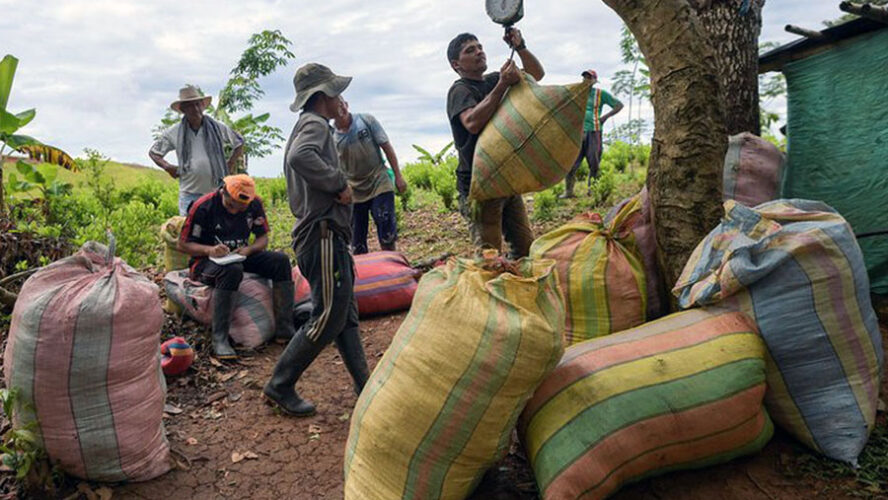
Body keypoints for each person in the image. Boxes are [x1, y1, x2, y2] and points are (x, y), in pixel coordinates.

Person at [263, 63, 369, 417]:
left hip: (327, 236)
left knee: (345, 314)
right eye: (337, 92)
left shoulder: (309, 126)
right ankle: (280, 383)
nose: (342, 99)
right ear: (323, 96)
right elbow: (300, 157)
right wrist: (337, 185)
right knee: (327, 315)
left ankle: (364, 386)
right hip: (322, 235)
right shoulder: (313, 124)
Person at [446, 29, 544, 258]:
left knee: (524, 247)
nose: (479, 52)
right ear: (456, 64)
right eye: (470, 50)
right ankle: (490, 290)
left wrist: (520, 47)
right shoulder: (459, 90)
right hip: (479, 185)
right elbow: (471, 122)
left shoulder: (491, 80)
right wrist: (502, 85)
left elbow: (536, 75)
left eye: (479, 47)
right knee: (489, 256)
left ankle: (516, 288)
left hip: (505, 180)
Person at [178, 174, 298, 360]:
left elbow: (262, 239)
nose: (235, 211)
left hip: (238, 255)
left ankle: (284, 328)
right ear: (223, 194)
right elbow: (184, 245)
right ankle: (220, 338)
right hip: (206, 262)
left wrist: (249, 250)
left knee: (280, 261)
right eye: (231, 206)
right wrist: (210, 250)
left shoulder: (254, 204)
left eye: (241, 208)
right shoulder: (203, 206)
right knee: (233, 270)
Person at [149, 85, 245, 216]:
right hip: (189, 195)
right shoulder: (174, 131)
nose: (195, 109)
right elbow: (154, 153)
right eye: (189, 106)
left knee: (216, 233)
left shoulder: (217, 127)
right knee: (190, 233)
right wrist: (167, 167)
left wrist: (230, 163)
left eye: (197, 104)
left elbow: (239, 143)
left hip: (216, 193)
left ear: (202, 106)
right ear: (183, 110)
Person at [333, 100, 407, 254]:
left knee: (386, 230)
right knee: (357, 240)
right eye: (337, 105)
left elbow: (386, 147)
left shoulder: (366, 121)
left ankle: (390, 263)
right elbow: (334, 168)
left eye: (343, 104)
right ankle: (363, 273)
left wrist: (398, 176)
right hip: (353, 189)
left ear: (347, 104)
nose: (341, 108)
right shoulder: (332, 137)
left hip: (379, 180)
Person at [561, 70, 624, 198]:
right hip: (578, 132)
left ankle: (592, 191)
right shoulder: (577, 94)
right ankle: (569, 191)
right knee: (571, 162)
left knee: (594, 162)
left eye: (589, 78)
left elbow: (619, 105)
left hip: (594, 132)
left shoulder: (600, 94)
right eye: (584, 77)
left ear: (594, 80)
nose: (586, 80)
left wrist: (605, 117)